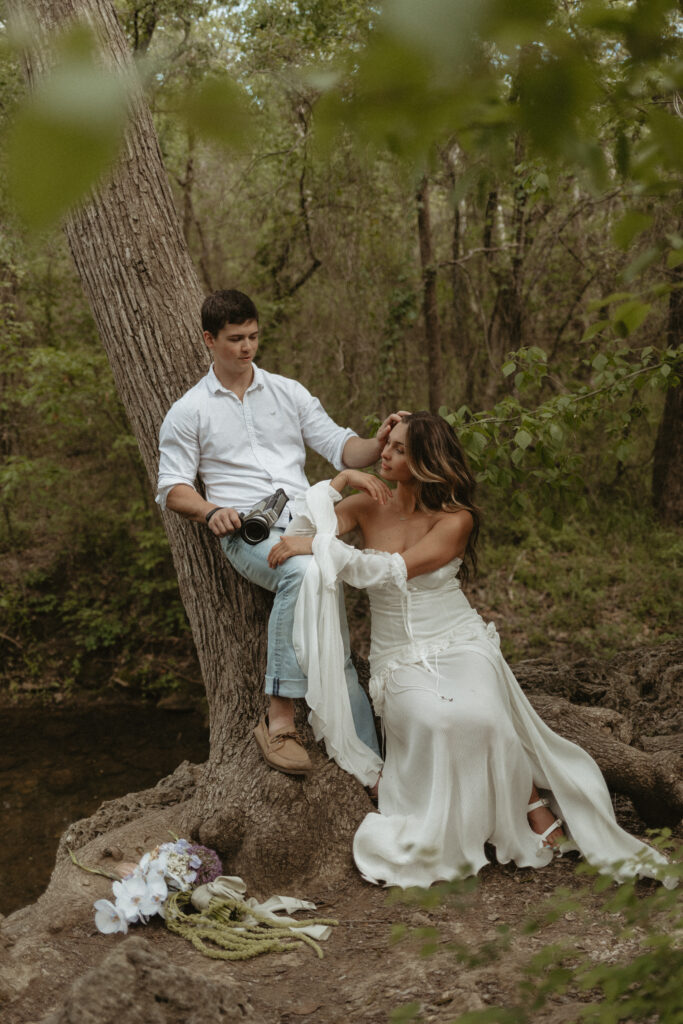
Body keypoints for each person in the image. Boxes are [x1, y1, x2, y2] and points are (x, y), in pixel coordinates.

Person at [268, 412, 673, 887]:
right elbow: (298, 531)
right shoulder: (364, 505)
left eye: (400, 449)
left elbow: (391, 571)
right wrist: (338, 481)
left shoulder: (456, 520)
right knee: (437, 722)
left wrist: (317, 547)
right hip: (398, 655)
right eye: (388, 445)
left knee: (485, 717)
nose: (386, 454)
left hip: (459, 641)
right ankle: (467, 819)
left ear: (425, 464)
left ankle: (529, 806)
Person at [156, 288, 403, 779]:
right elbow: (171, 487)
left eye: (252, 336)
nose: (246, 348)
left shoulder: (288, 392)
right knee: (304, 570)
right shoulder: (189, 410)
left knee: (332, 638)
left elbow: (341, 447)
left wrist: (375, 443)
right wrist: (209, 512)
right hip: (248, 530)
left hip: (311, 517)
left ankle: (376, 773)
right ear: (209, 340)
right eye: (234, 339)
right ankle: (280, 718)